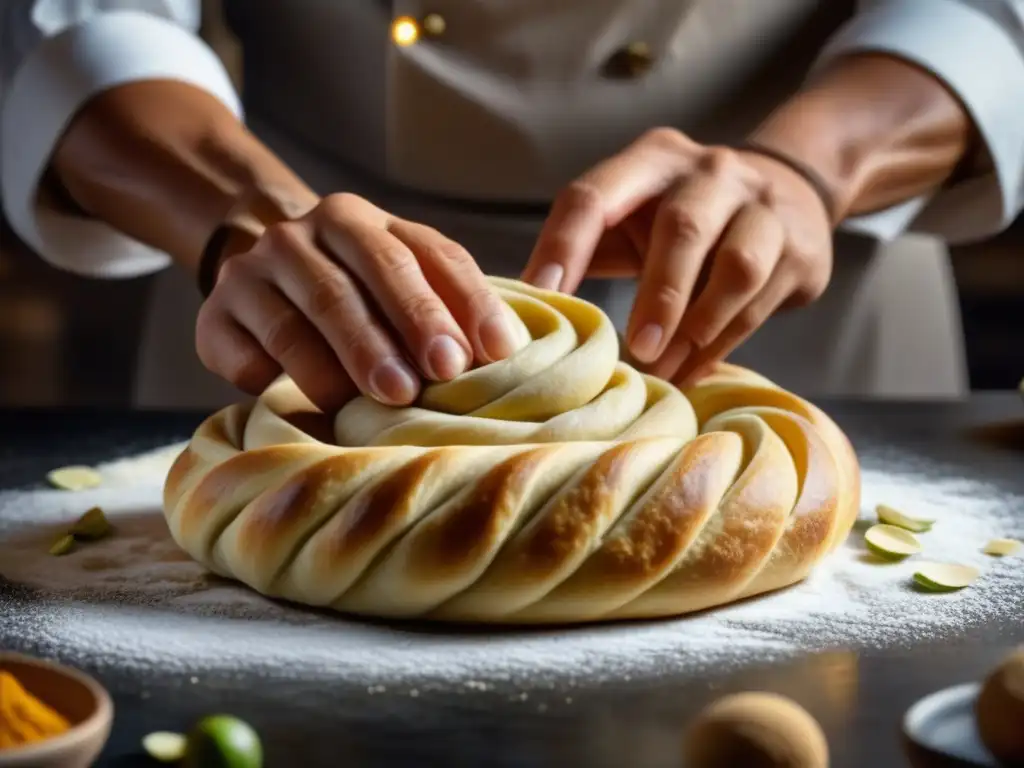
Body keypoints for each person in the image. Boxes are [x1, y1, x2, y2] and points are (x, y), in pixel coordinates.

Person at [2, 1, 1023, 412]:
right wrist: (254, 221)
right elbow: (84, 24)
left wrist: (805, 169)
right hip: (295, 311)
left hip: (783, 291)